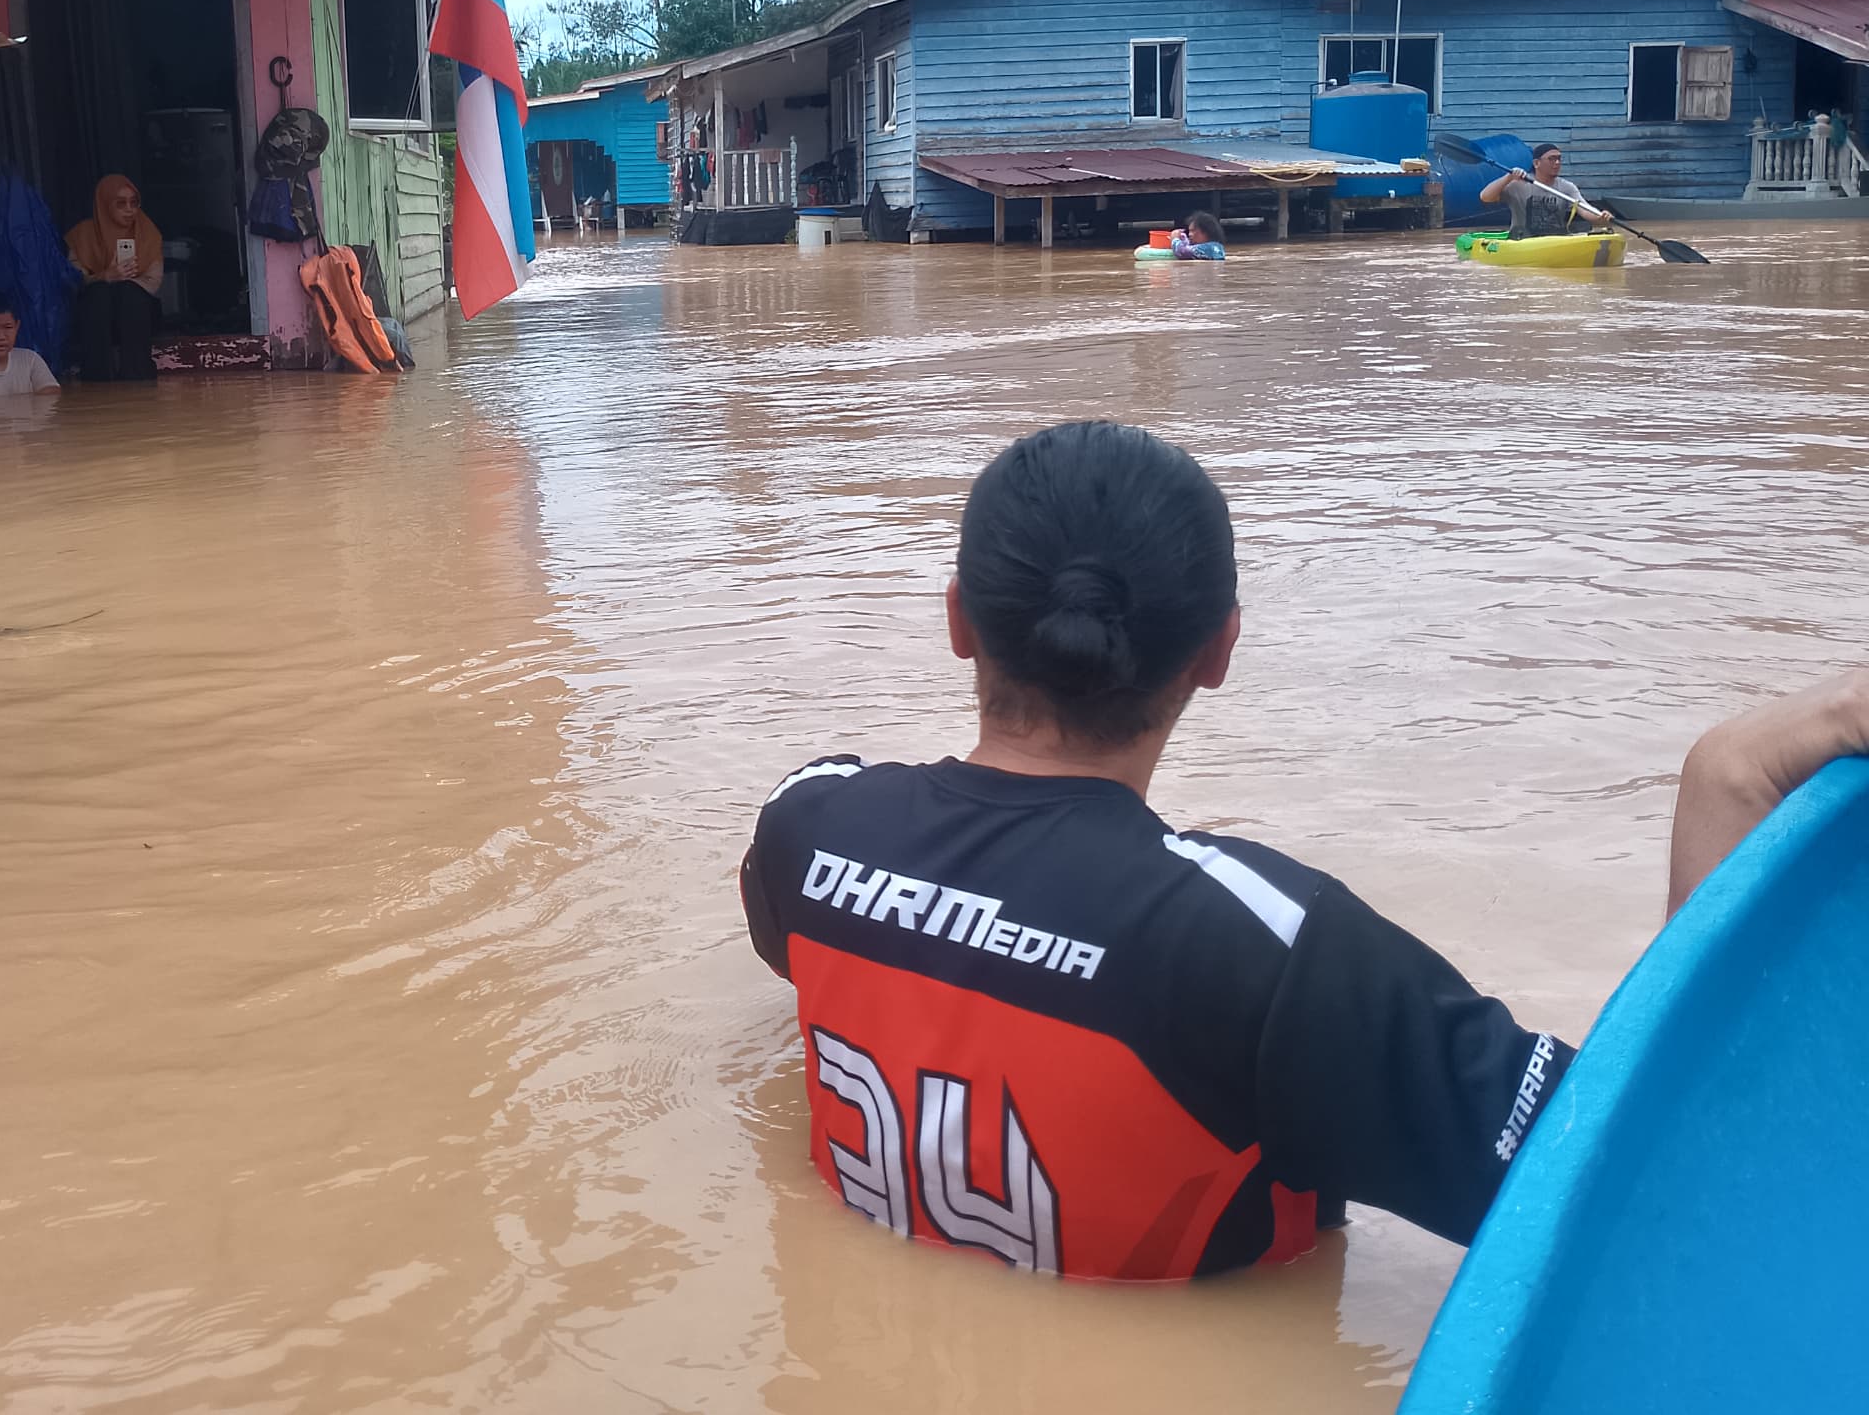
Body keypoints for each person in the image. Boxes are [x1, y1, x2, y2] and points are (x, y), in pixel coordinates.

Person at [738, 420, 1861, 1283]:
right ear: (1219, 650)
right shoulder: (1269, 956)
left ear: (956, 621)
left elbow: (862, 955)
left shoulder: (809, 825)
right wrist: (1725, 782)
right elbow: (1650, 1187)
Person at [65, 173, 164, 382]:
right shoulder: (83, 235)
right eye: (121, 203)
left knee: (130, 293)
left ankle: (137, 375)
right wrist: (105, 276)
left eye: (134, 203)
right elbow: (73, 280)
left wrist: (125, 281)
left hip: (135, 314)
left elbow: (154, 281)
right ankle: (98, 376)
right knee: (98, 294)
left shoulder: (148, 233)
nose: (129, 209)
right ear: (104, 205)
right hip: (98, 316)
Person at [1480, 142, 1612, 237]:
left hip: (1555, 241)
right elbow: (1485, 197)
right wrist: (1508, 177)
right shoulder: (1518, 185)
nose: (1557, 163)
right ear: (1536, 163)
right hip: (1523, 240)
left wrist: (1600, 217)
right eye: (1551, 159)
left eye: (1559, 159)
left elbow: (1584, 209)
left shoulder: (1567, 187)